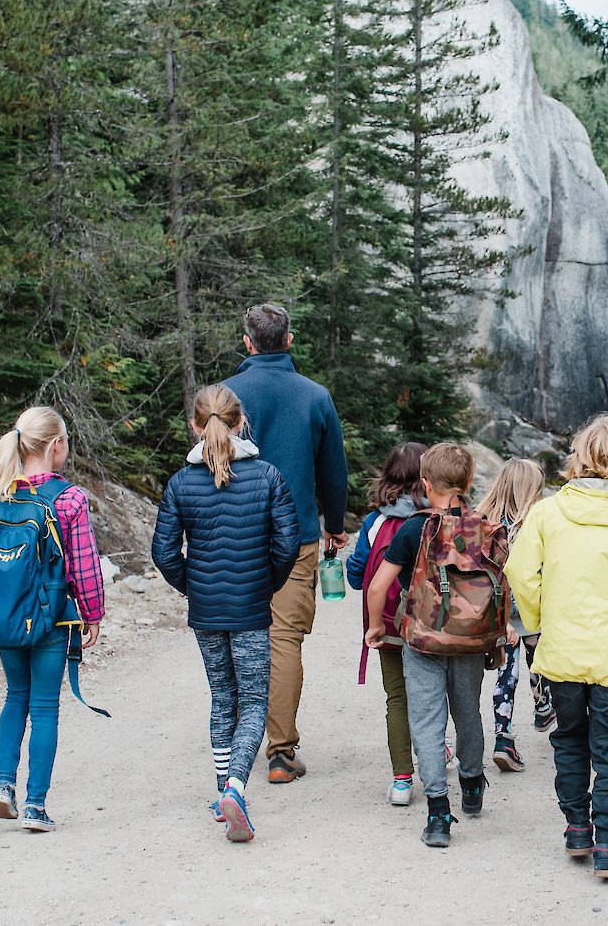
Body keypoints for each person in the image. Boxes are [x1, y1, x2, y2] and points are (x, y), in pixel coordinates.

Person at [504, 416, 608, 881]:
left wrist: (539, 620)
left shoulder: (546, 513)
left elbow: (520, 573)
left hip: (560, 652)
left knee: (570, 738)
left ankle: (577, 826)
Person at [153, 384, 300, 842]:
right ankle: (237, 786)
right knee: (255, 700)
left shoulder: (181, 482)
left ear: (195, 427)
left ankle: (223, 790)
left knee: (222, 696)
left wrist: (192, 586)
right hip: (251, 606)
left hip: (207, 609)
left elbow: (163, 551)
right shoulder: (268, 476)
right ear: (242, 423)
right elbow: (287, 545)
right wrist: (266, 585)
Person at [224, 303, 349, 784]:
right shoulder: (315, 396)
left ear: (247, 341)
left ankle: (235, 740)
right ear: (289, 340)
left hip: (233, 536)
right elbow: (332, 472)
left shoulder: (225, 396)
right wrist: (335, 525)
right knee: (284, 639)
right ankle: (280, 752)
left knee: (234, 635)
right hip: (293, 536)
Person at [360, 443, 508, 848]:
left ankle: (439, 812)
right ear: (469, 481)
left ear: (425, 484)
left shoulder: (415, 528)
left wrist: (376, 627)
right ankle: (473, 783)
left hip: (424, 640)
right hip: (471, 641)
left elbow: (377, 586)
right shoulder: (487, 529)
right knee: (467, 712)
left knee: (426, 721)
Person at [0, 406, 105, 834]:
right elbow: (83, 565)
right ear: (56, 446)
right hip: (52, 619)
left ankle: (2, 785)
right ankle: (35, 806)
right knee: (45, 707)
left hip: (5, 619)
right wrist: (93, 612)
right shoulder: (68, 498)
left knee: (15, 698)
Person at [346, 440, 427, 807]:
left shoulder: (375, 522)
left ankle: (401, 780)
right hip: (434, 623)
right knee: (431, 694)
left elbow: (358, 575)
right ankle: (436, 754)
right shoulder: (436, 517)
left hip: (390, 624)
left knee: (397, 698)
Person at [475, 458, 550, 772]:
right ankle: (544, 704)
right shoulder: (538, 522)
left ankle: (503, 735)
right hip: (531, 607)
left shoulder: (482, 520)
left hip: (497, 610)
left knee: (507, 675)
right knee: (540, 660)